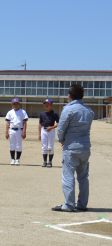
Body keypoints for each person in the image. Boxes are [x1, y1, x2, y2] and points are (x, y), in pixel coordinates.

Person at [52, 84, 94, 212]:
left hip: (71, 147)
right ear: (82, 96)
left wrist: (62, 140)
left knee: (68, 176)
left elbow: (61, 129)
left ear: (69, 96)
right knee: (83, 177)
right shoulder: (89, 111)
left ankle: (69, 204)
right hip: (85, 147)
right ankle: (82, 204)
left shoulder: (68, 110)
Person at [5, 98, 28, 165]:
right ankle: (12, 159)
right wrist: (6, 132)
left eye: (17, 104)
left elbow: (24, 122)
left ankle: (17, 159)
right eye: (14, 104)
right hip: (12, 130)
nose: (16, 105)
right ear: (12, 104)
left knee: (18, 145)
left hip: (19, 130)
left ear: (19, 104)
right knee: (12, 145)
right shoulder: (10, 112)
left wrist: (24, 131)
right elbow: (7, 122)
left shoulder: (23, 112)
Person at [38, 99, 59, 168]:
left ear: (51, 105)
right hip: (43, 130)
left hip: (51, 131)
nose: (46, 105)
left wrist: (52, 127)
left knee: (50, 146)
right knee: (44, 146)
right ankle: (44, 161)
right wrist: (39, 134)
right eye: (45, 104)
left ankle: (49, 161)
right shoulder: (42, 114)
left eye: (48, 104)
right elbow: (40, 124)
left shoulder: (54, 113)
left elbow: (58, 123)